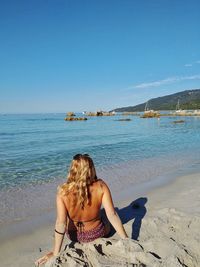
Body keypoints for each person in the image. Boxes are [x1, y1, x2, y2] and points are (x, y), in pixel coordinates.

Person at [35, 154, 128, 266]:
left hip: (74, 236)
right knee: (104, 214)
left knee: (64, 218)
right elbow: (112, 214)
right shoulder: (101, 186)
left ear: (72, 170)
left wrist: (55, 253)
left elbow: (61, 224)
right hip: (97, 233)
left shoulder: (63, 192)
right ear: (91, 169)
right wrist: (126, 239)